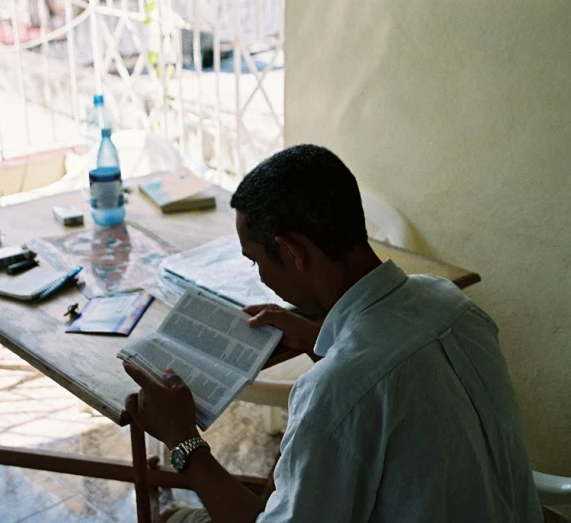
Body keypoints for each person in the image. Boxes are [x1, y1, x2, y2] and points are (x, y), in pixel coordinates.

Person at [123, 144, 542, 523]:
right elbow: (383, 383)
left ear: (293, 252)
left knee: (169, 521)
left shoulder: (333, 392)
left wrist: (183, 442)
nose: (261, 277)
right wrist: (314, 340)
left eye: (256, 261)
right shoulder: (450, 303)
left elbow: (357, 392)